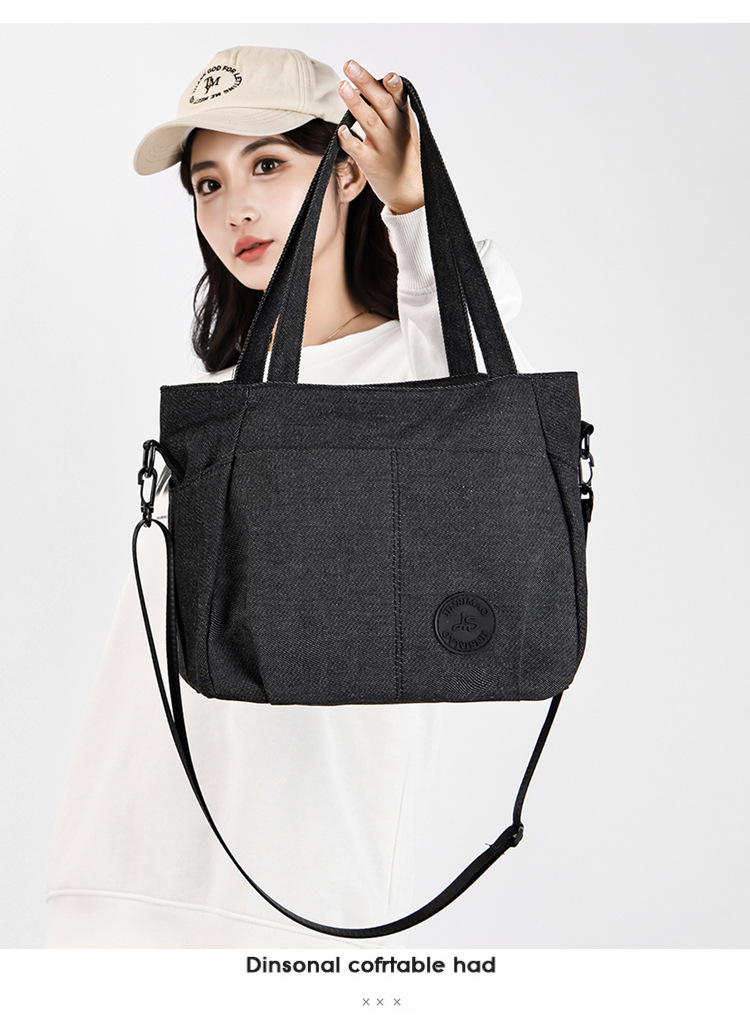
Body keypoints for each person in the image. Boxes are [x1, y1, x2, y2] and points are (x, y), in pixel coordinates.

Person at [44, 46, 534, 949]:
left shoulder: (416, 377)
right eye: (208, 182)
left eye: (267, 164)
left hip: (296, 890)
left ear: (346, 172)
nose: (233, 206)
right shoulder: (226, 404)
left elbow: (479, 361)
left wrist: (411, 202)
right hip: (118, 868)